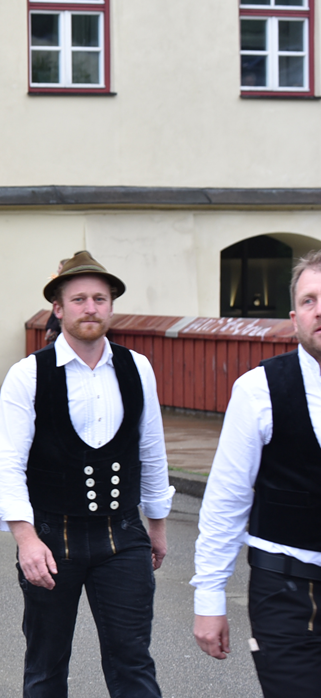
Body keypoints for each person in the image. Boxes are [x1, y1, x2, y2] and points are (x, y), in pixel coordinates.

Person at [0, 250, 173, 698]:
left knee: (133, 663)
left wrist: (157, 525)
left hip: (123, 536)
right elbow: (8, 464)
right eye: (78, 300)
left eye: (99, 299)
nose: (90, 308)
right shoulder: (27, 375)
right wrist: (26, 540)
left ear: (111, 306)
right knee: (46, 666)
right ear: (58, 308)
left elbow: (151, 450)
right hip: (53, 538)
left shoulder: (137, 367)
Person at [192, 250, 321, 695]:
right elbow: (226, 500)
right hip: (286, 589)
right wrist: (209, 597)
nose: (319, 310)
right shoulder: (258, 390)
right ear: (294, 318)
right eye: (309, 300)